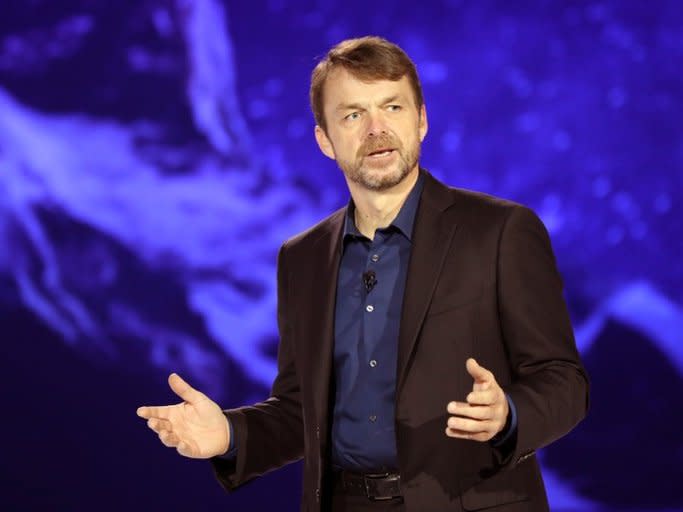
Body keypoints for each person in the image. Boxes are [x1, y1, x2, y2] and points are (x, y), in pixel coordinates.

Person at [137, 36, 589, 512]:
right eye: (353, 115)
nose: (376, 129)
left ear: (421, 121)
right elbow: (301, 411)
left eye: (392, 107)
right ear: (325, 140)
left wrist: (508, 415)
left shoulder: (501, 232)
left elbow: (563, 380)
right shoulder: (302, 258)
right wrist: (229, 434)